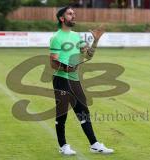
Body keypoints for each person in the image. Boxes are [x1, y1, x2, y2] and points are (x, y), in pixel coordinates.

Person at [49, 6, 114, 155]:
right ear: (62, 18)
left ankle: (94, 144)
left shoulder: (76, 36)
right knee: (62, 112)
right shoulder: (56, 38)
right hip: (61, 78)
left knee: (83, 111)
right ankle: (63, 146)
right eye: (70, 14)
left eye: (74, 13)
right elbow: (53, 63)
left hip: (74, 79)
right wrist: (66, 68)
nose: (74, 16)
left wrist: (95, 41)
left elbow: (89, 55)